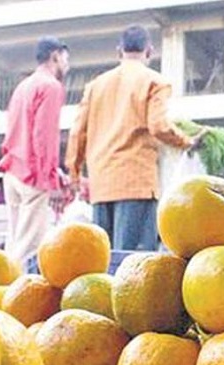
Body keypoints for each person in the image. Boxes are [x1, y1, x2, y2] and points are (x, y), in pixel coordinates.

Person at [65, 25, 198, 251]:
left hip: (102, 184)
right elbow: (158, 126)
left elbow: (78, 132)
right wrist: (186, 141)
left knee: (103, 258)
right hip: (136, 181)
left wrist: (75, 174)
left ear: (119, 51)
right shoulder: (154, 82)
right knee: (134, 260)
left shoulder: (96, 85)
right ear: (149, 51)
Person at [0, 36, 71, 267]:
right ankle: (15, 300)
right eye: (65, 59)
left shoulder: (23, 86)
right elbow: (44, 137)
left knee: (14, 245)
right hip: (33, 177)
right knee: (29, 250)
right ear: (56, 56)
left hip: (12, 171)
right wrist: (51, 181)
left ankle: (0, 295)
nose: (67, 65)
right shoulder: (51, 87)